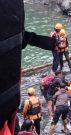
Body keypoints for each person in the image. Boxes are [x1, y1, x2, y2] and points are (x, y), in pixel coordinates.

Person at [0, 1, 56, 134]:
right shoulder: (13, 6)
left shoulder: (28, 102)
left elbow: (25, 111)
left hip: (11, 109)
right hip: (10, 105)